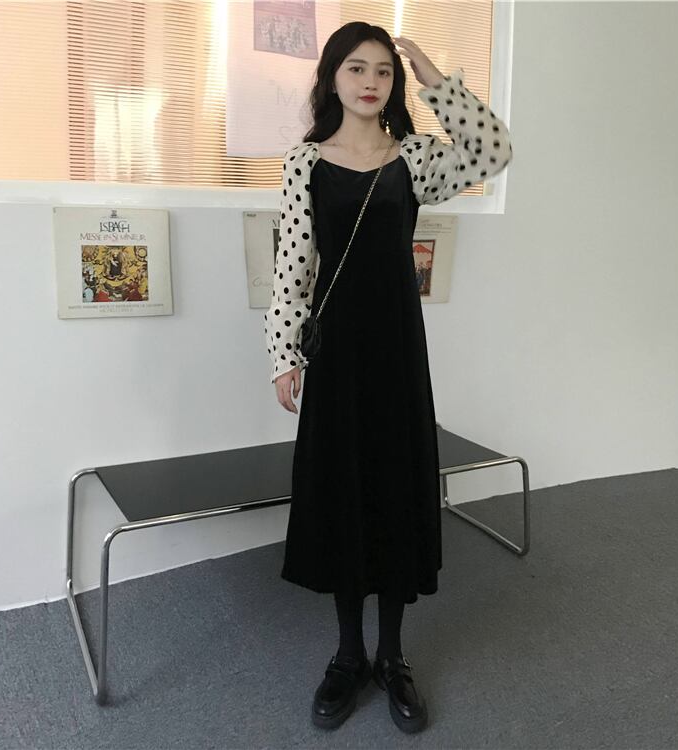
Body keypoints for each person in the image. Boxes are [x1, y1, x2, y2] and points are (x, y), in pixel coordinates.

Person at [263, 22, 513, 733]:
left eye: (383, 70)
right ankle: (348, 654)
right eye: (356, 68)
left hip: (399, 351)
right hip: (337, 354)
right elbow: (293, 266)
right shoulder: (305, 162)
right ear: (332, 78)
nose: (371, 81)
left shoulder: (416, 159)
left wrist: (433, 75)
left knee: (395, 490)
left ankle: (392, 656)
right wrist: (284, 354)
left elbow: (493, 150)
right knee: (343, 491)